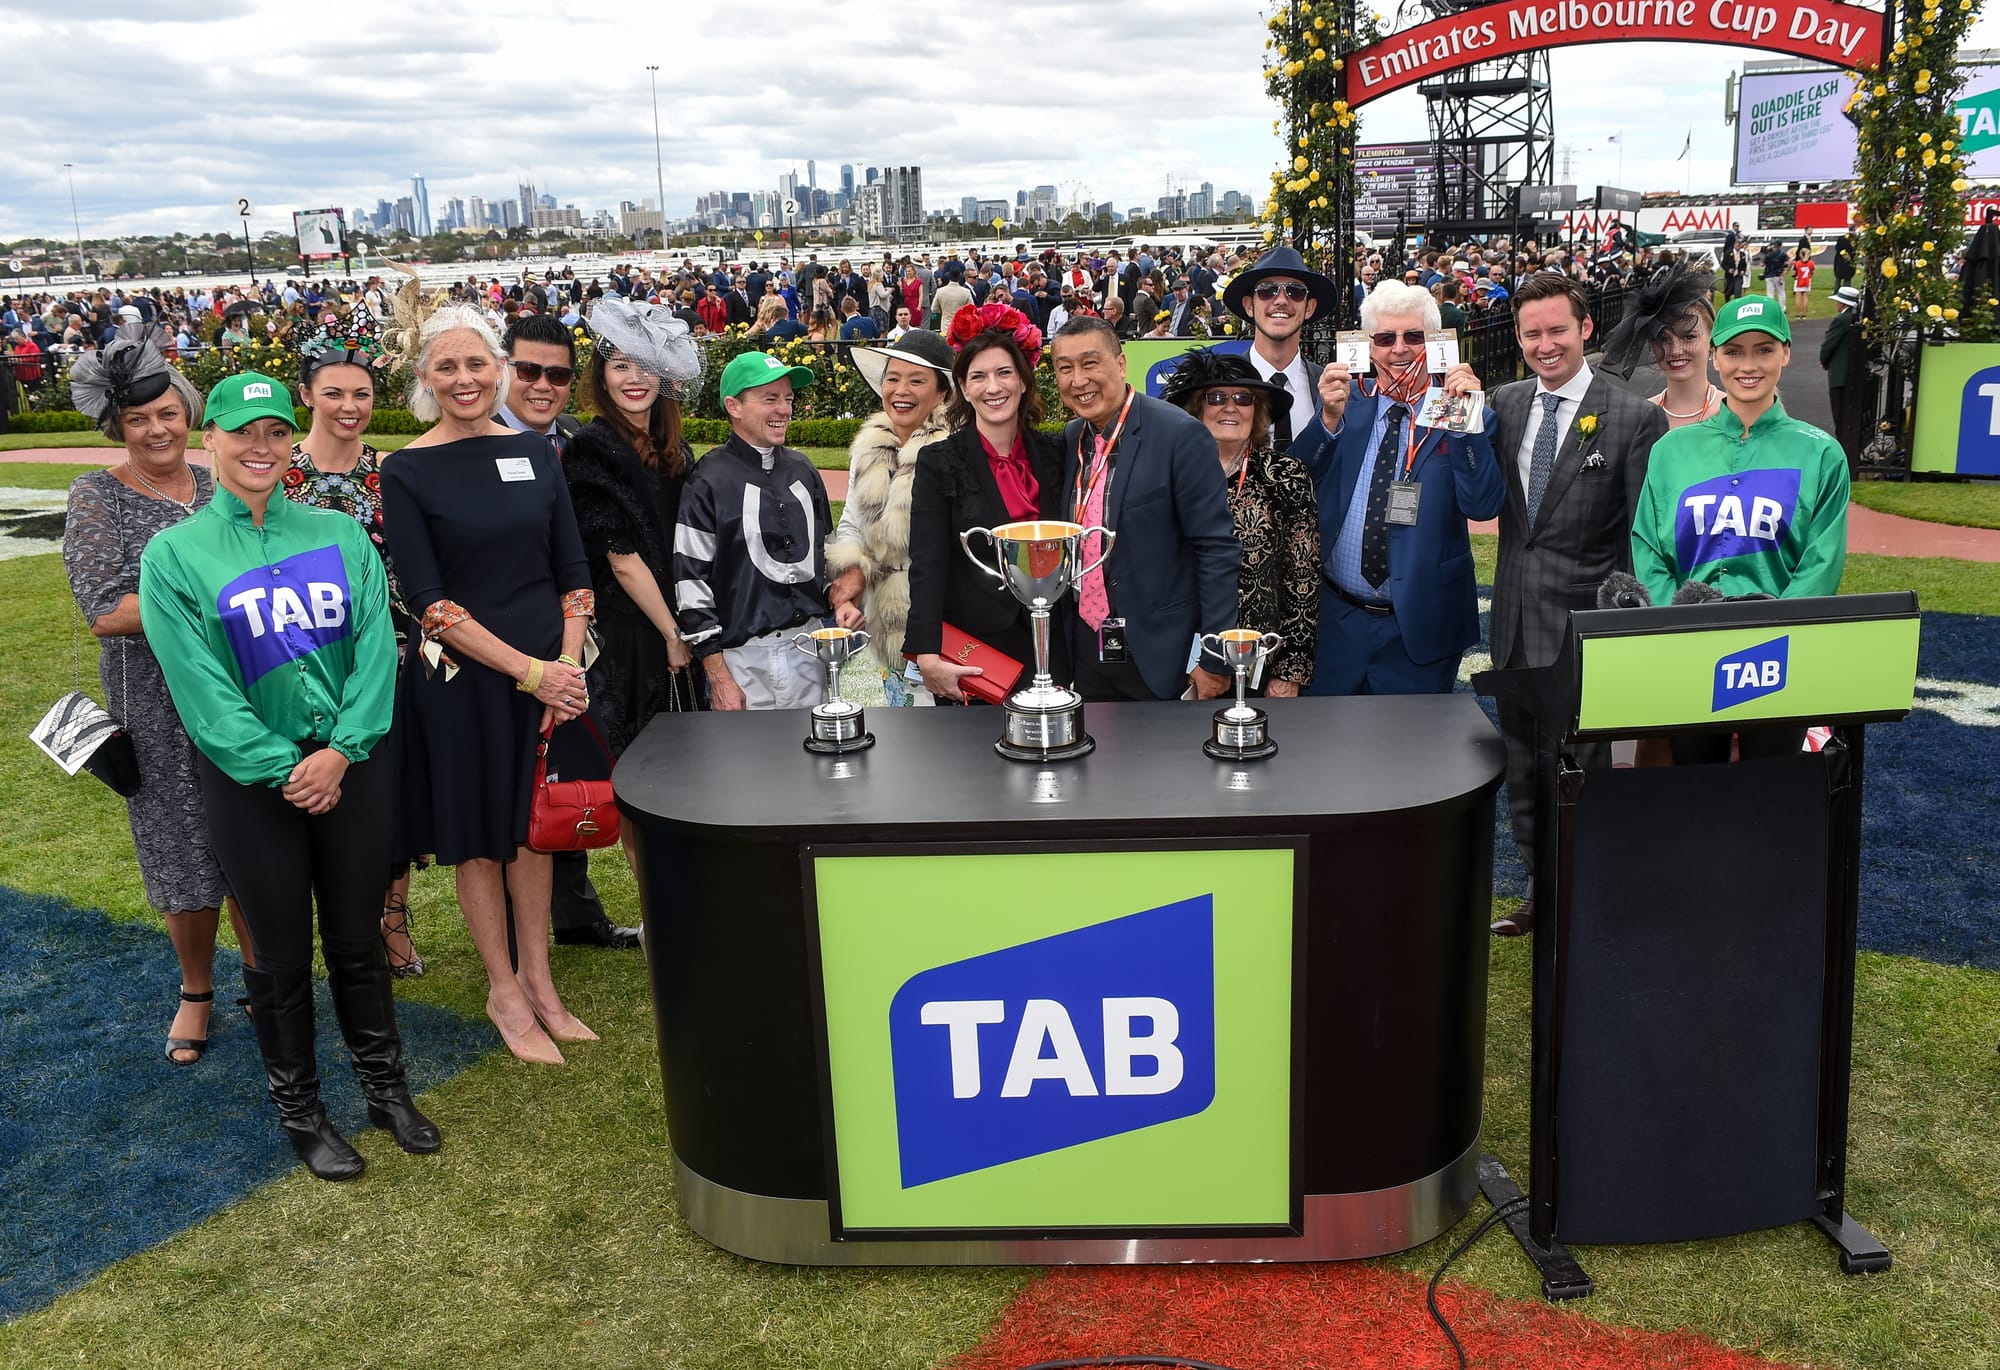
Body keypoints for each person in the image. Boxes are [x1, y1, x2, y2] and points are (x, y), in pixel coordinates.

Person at [136, 371, 436, 1181]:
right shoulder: (173, 555)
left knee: (356, 936)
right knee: (278, 953)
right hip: (252, 786)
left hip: (352, 768)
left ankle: (385, 1087)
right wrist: (285, 767)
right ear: (213, 443)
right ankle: (301, 1110)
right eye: (242, 434)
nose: (260, 449)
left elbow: (376, 652)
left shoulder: (338, 535)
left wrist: (342, 749)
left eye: (274, 433)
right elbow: (200, 690)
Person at [380, 306, 597, 1065]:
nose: (465, 379)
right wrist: (531, 672)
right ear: (425, 380)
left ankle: (540, 981)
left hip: (547, 675)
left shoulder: (535, 452)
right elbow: (430, 602)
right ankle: (502, 989)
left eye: (476, 364)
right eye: (447, 367)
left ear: (497, 368)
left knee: (532, 827)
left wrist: (564, 668)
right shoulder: (405, 469)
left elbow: (572, 570)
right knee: (478, 835)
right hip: (468, 680)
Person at [62, 341, 254, 1065]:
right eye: (139, 419)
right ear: (118, 426)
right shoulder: (96, 495)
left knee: (253, 842)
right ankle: (197, 992)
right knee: (181, 853)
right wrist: (216, 597)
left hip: (245, 693)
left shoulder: (222, 485)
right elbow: (105, 608)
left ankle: (265, 981)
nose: (157, 430)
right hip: (156, 704)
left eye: (168, 414)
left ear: (189, 415)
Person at [1487, 272, 1668, 936]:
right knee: (1520, 768)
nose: (1545, 344)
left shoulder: (1633, 417)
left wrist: (1624, 631)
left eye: (1557, 329)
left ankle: (1585, 892)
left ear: (1585, 329)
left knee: (1580, 772)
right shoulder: (1500, 404)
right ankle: (1541, 890)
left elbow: (1638, 540)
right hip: (1510, 624)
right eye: (1532, 333)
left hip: (1580, 631)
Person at [1631, 296, 1850, 763]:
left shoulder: (1821, 454)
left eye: (1764, 350)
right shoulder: (1672, 450)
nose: (1748, 365)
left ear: (1786, 353)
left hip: (1777, 656)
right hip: (1691, 648)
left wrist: (1773, 633)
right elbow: (1648, 546)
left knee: (1770, 792)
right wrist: (1681, 618)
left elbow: (1822, 561)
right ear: (1715, 357)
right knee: (1693, 788)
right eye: (1734, 352)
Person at [284, 303, 428, 976]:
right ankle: (320, 930)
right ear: (306, 394)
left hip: (390, 660)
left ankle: (391, 919)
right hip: (293, 666)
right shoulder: (277, 475)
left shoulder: (393, 473)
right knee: (304, 801)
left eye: (362, 394)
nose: (349, 405)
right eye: (334, 392)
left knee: (390, 800)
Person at [495, 311, 637, 951]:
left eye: (557, 373)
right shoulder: (471, 444)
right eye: (528, 370)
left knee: (568, 772)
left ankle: (575, 915)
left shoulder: (575, 440)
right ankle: (510, 933)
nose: (542, 385)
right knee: (512, 786)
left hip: (579, 637)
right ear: (503, 370)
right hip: (503, 645)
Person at [1294, 283, 1503, 696]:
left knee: (1412, 753)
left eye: (1414, 336)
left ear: (1435, 341)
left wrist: (1464, 421)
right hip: (1338, 620)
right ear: (1370, 347)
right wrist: (1327, 422)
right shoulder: (1346, 401)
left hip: (1422, 623)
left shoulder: (1460, 409)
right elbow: (1298, 480)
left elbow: (1482, 505)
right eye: (1386, 338)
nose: (1400, 349)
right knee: (1326, 746)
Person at [1049, 317, 1239, 703]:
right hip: (1086, 648)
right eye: (1065, 368)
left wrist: (1216, 658)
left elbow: (1216, 549)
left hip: (1160, 653)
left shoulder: (1179, 434)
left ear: (1120, 365)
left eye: (1090, 363)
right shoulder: (1072, 438)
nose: (1078, 380)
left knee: (1166, 762)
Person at [904, 306, 1069, 701]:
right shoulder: (938, 461)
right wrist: (926, 655)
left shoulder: (1058, 452)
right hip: (979, 651)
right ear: (963, 387)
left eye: (1004, 373)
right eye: (978, 376)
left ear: (1024, 382)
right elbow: (927, 563)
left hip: (1054, 641)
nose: (993, 387)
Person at [566, 298, 702, 763]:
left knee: (691, 756)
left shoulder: (672, 447)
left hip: (679, 619)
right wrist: (671, 635)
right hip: (632, 631)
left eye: (645, 366)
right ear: (602, 377)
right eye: (620, 366)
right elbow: (620, 558)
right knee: (644, 763)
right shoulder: (591, 447)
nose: (634, 379)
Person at [672, 352, 834, 711]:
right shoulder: (707, 479)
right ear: (734, 406)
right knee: (746, 767)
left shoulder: (804, 470)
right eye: (770, 399)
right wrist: (717, 674)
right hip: (740, 660)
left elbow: (828, 554)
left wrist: (843, 593)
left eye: (788, 399)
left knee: (814, 763)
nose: (784, 410)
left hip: (807, 648)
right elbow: (690, 583)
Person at [1161, 349, 1320, 694]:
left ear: (1258, 411)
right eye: (1216, 397)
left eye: (1243, 399)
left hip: (1261, 666)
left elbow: (1302, 577)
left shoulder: (1285, 476)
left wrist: (1291, 670)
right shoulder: (1167, 474)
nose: (1230, 407)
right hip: (1175, 661)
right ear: (1196, 409)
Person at [824, 330, 956, 706]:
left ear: (942, 392)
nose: (901, 390)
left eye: (917, 381)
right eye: (893, 379)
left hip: (946, 623)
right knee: (907, 737)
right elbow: (851, 522)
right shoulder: (867, 447)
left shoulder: (954, 449)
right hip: (886, 620)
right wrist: (849, 585)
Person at [1222, 245, 1330, 453]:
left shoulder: (1325, 388)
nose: (1281, 300)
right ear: (1249, 305)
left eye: (1295, 292)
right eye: (1267, 290)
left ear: (1309, 307)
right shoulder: (1222, 387)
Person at [1599, 262, 1723, 430]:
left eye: (1689, 337)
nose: (1675, 350)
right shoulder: (1640, 418)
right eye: (1663, 339)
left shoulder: (1735, 414)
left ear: (1711, 341)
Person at [1822, 285, 1861, 437]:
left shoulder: (1841, 320)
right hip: (1851, 372)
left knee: (1839, 412)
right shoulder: (1854, 317)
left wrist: (1823, 359)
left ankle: (1843, 440)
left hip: (1839, 373)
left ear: (1843, 304)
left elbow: (1829, 344)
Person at [1791, 247, 1816, 318]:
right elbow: (1812, 272)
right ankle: (1804, 314)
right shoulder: (1811, 263)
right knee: (1805, 298)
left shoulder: (1797, 263)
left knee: (1798, 298)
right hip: (1807, 281)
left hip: (1798, 281)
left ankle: (1798, 314)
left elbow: (1794, 273)